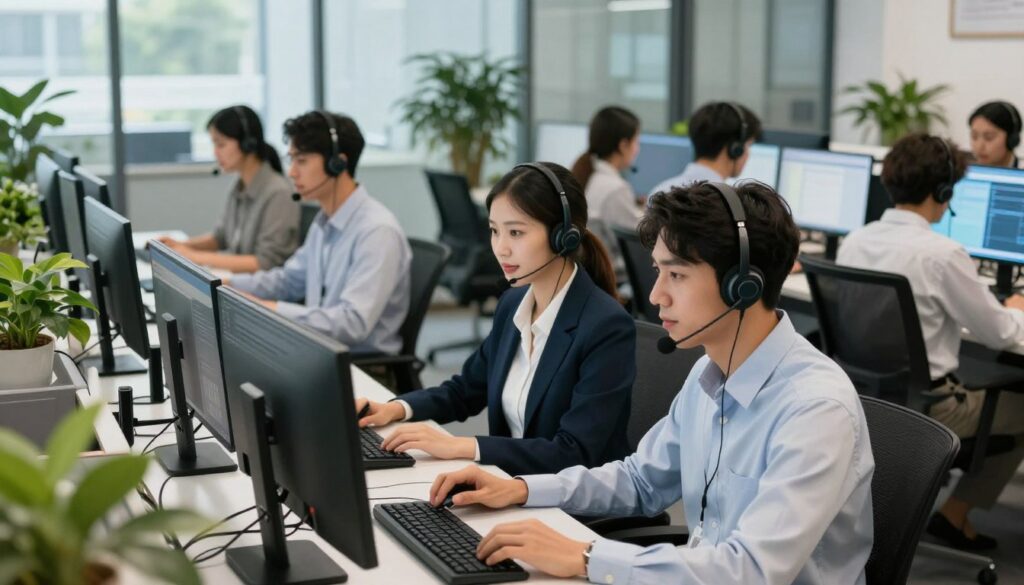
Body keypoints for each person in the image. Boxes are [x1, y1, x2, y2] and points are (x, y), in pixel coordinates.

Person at [428, 180, 875, 583]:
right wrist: (522, 488)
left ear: (744, 287)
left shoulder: (814, 410)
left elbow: (750, 571)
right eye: (658, 271)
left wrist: (586, 557)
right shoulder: (709, 372)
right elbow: (640, 481)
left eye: (676, 275)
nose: (655, 295)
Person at [355, 163, 635, 476]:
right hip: (508, 485)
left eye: (516, 232)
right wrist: (396, 408)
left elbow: (574, 451)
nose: (500, 248)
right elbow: (465, 390)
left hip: (574, 507)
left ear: (563, 237)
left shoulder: (605, 326)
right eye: (494, 230)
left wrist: (464, 446)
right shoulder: (513, 304)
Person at [839, 133, 1024, 551]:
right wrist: (1016, 308)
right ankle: (956, 515)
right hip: (931, 407)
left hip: (866, 400)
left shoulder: (856, 240)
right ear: (943, 191)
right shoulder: (941, 254)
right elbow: (1000, 333)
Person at [227, 110, 411, 355]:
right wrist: (227, 285)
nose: (291, 172)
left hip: (362, 367)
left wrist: (270, 309)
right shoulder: (324, 222)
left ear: (338, 164)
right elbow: (288, 281)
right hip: (320, 351)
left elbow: (352, 323)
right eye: (291, 159)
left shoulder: (376, 232)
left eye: (301, 161)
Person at [157, 105, 298, 272]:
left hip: (258, 292)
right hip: (237, 285)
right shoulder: (239, 186)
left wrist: (194, 256)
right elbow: (221, 238)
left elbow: (264, 263)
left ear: (247, 144)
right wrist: (181, 246)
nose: (215, 153)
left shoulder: (278, 192)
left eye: (221, 144)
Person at [570, 106, 643, 276]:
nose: (638, 148)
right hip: (613, 280)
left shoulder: (585, 173)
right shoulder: (615, 189)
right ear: (624, 145)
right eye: (636, 141)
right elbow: (638, 245)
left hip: (587, 276)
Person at [649, 101, 762, 197]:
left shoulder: (659, 192)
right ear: (736, 149)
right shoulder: (733, 206)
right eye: (748, 145)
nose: (748, 154)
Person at [968, 101, 1022, 168]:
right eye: (974, 136)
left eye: (989, 137)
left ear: (1011, 140)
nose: (979, 147)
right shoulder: (962, 173)